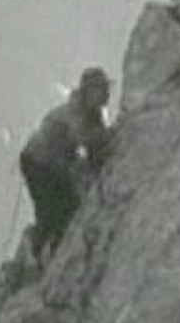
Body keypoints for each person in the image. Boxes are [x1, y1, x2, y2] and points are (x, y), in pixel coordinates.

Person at [18, 67, 113, 262]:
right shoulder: (75, 112)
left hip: (53, 163)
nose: (105, 94)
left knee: (68, 208)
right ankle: (35, 252)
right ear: (88, 92)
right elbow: (85, 138)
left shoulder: (90, 112)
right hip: (38, 163)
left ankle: (50, 250)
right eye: (100, 89)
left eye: (105, 89)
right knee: (50, 211)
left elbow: (93, 148)